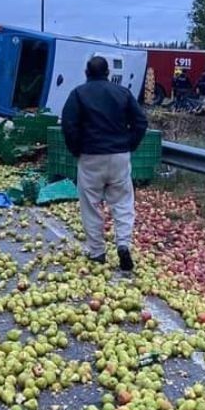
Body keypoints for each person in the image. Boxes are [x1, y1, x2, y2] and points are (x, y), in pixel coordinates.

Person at [60, 56, 148, 271]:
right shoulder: (123, 93)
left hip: (90, 156)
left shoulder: (78, 94)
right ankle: (123, 244)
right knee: (123, 201)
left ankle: (97, 252)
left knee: (90, 204)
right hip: (119, 155)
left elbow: (69, 125)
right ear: (108, 73)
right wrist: (129, 144)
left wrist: (76, 150)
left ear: (86, 72)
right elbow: (141, 121)